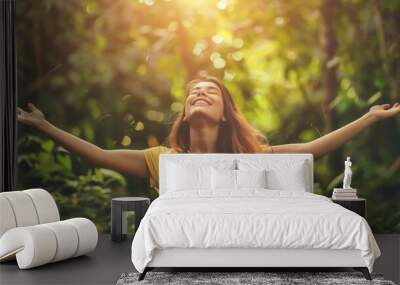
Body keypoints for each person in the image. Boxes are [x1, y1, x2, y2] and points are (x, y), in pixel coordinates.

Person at [17, 75, 400, 193]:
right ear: (185, 113)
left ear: (224, 117)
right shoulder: (161, 159)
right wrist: (45, 126)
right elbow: (97, 153)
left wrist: (369, 117)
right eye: (193, 92)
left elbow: (312, 149)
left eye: (210, 91)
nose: (199, 92)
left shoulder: (253, 158)